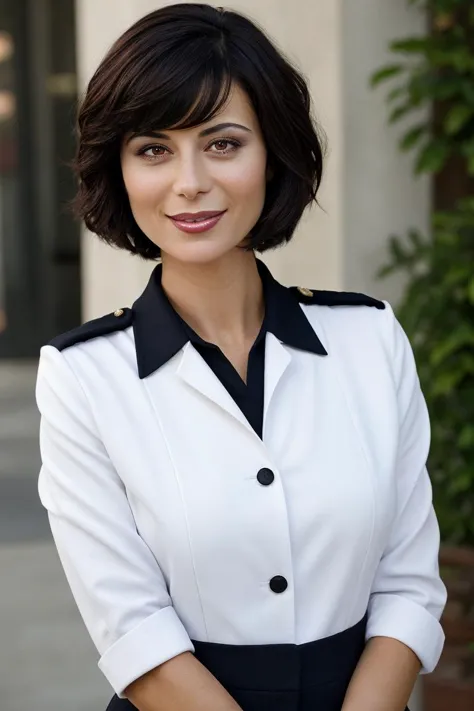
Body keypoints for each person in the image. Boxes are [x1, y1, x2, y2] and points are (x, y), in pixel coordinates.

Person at [35, 4, 447, 711]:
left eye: (222, 144)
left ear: (272, 152)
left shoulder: (370, 338)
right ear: (120, 167)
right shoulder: (82, 376)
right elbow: (134, 630)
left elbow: (408, 585)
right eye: (153, 149)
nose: (189, 182)